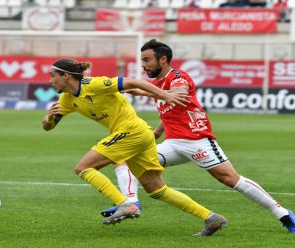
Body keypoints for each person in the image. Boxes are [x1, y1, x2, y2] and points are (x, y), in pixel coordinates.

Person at [101, 39, 295, 234]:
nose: (143, 65)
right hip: (173, 144)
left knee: (230, 179)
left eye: (147, 60)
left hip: (197, 141)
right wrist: (158, 131)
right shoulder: (158, 83)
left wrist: (146, 92)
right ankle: (129, 203)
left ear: (162, 60)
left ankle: (284, 214)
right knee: (124, 159)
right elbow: (172, 107)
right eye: (142, 60)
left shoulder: (177, 76)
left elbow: (180, 94)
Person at [42, 58, 227, 236]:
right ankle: (211, 218)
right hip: (141, 134)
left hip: (132, 131)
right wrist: (49, 118)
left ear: (66, 76)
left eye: (52, 76)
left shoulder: (95, 84)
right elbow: (48, 127)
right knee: (157, 190)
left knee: (83, 167)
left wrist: (165, 94)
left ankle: (124, 204)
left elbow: (134, 82)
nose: (50, 81)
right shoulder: (66, 99)